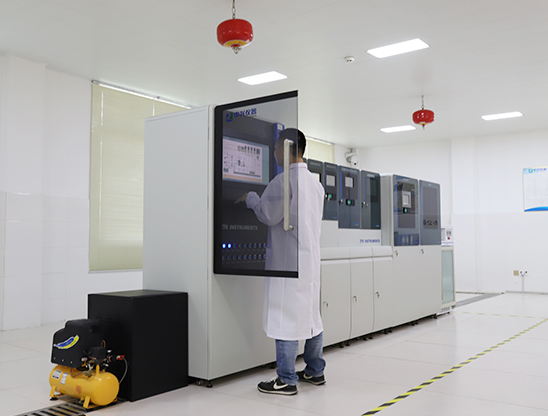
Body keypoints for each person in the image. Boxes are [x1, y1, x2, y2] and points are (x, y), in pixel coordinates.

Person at [237, 128, 326, 396]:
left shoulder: (283, 181)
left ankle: (286, 379)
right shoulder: (315, 183)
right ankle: (315, 370)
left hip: (288, 262)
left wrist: (250, 198)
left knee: (285, 317)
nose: (274, 153)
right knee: (311, 316)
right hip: (309, 262)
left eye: (276, 148)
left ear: (285, 149)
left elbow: (268, 215)